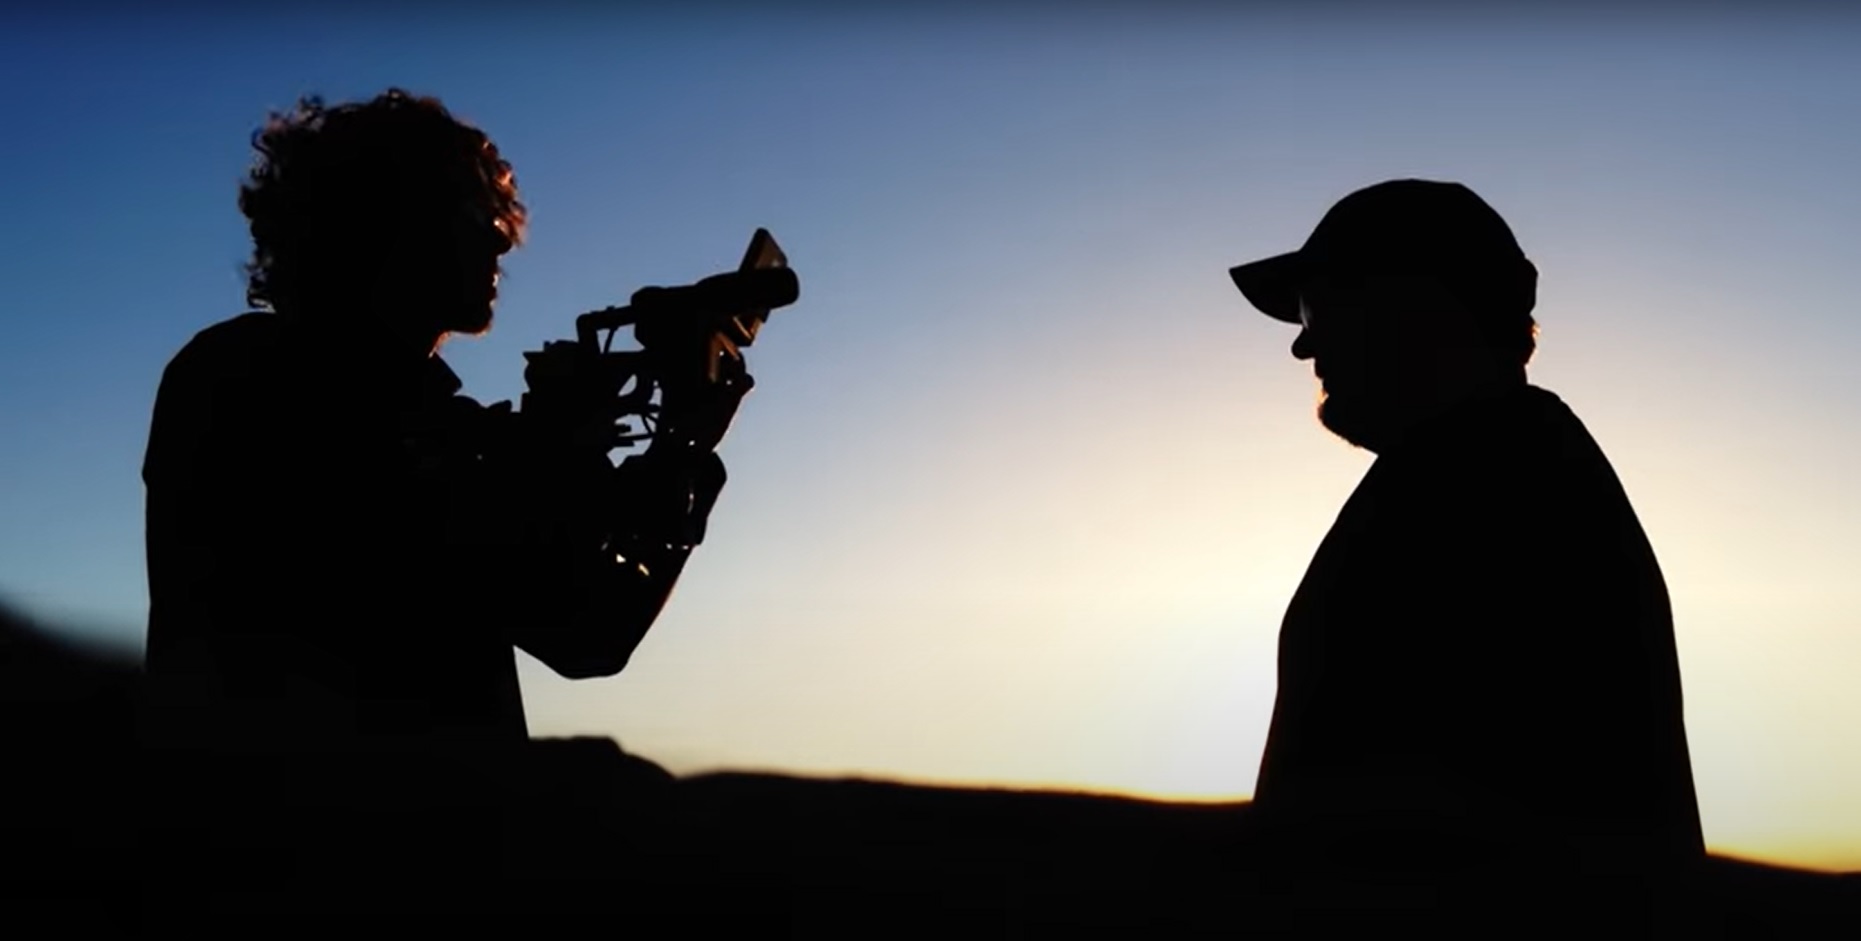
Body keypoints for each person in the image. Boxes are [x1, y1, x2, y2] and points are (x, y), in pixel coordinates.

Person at [137, 89, 713, 910]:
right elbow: (580, 625)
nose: (496, 236)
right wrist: (680, 451)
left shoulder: (259, 374)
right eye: (468, 209)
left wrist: (562, 450)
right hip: (339, 876)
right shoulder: (272, 383)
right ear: (379, 219)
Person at [1228, 180, 1706, 911]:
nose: (1302, 341)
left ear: (1414, 304)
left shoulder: (1497, 479)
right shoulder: (1481, 466)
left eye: (1317, 303)